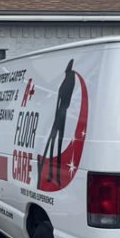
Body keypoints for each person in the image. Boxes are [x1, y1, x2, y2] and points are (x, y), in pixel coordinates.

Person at [38, 60, 76, 188]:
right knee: (53, 144)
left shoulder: (69, 80)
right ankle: (51, 175)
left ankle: (53, 176)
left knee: (54, 143)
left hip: (61, 115)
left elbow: (64, 101)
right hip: (59, 115)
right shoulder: (67, 80)